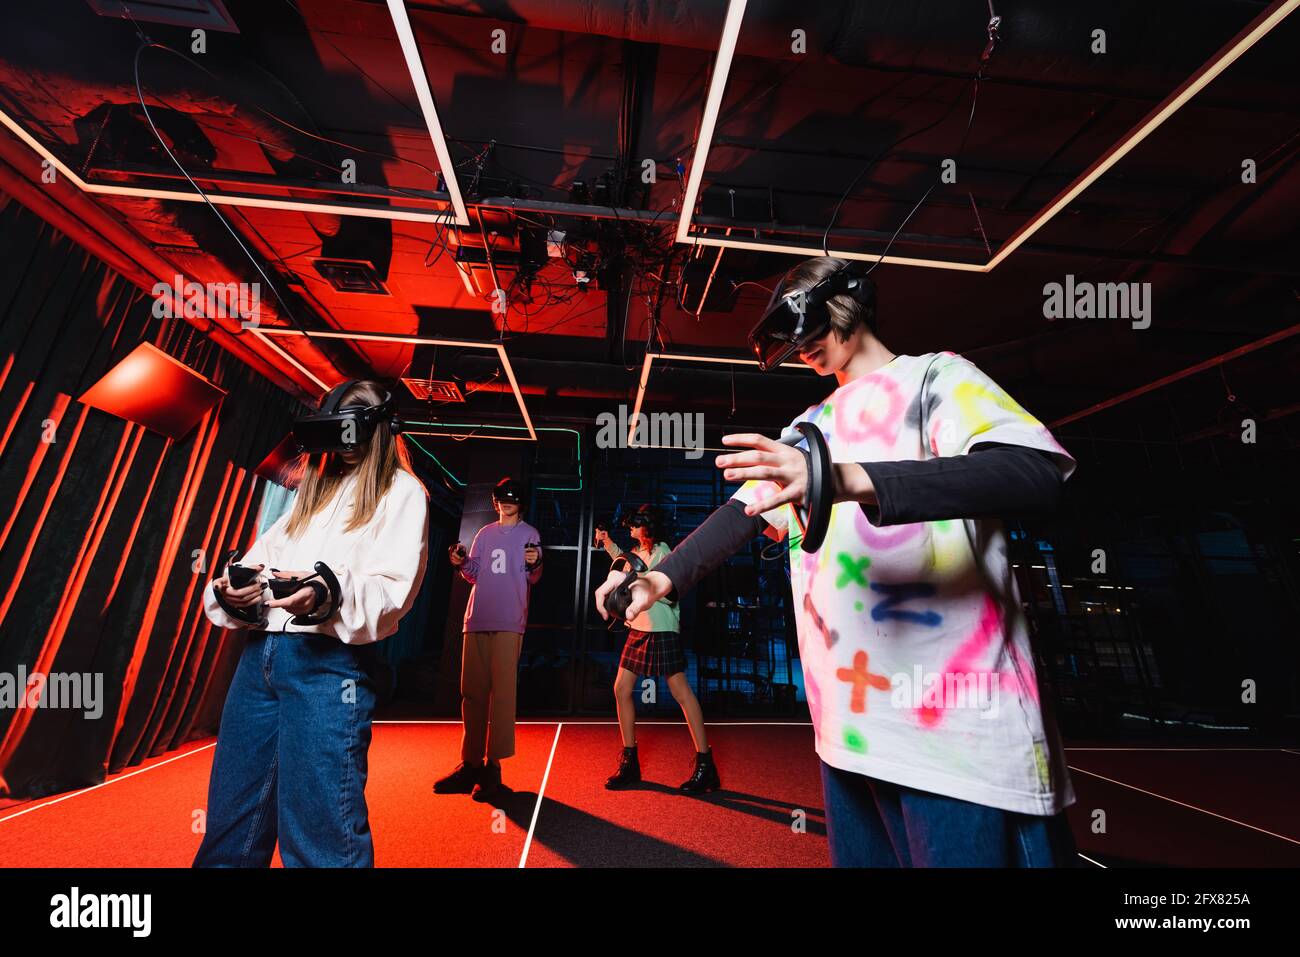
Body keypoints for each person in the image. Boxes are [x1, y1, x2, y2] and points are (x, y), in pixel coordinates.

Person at [596, 256, 1079, 867]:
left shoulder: (935, 378)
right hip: (849, 734)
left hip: (960, 731)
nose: (803, 350)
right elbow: (738, 517)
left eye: (810, 332)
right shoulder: (807, 427)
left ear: (847, 306)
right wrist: (657, 579)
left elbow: (1033, 474)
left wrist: (837, 477)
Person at [196, 379, 428, 867]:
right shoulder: (312, 494)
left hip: (327, 669)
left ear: (377, 431)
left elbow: (392, 593)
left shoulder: (402, 493)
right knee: (232, 825)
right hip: (259, 662)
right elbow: (262, 565)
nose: (342, 450)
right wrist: (233, 591)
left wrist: (326, 592)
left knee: (321, 833)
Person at [596, 505, 718, 792]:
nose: (630, 529)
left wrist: (638, 579)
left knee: (681, 693)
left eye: (634, 525)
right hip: (637, 629)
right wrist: (607, 543)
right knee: (621, 689)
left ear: (647, 527)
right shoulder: (638, 553)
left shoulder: (665, 553)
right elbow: (625, 564)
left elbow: (657, 584)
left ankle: (705, 764)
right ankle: (630, 763)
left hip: (662, 630)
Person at [435, 477, 542, 801]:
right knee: (473, 694)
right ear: (495, 502)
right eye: (501, 497)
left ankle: (492, 769)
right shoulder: (484, 533)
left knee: (502, 696)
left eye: (512, 497)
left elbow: (534, 575)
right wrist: (462, 563)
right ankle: (470, 765)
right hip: (477, 618)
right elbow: (474, 572)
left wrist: (535, 564)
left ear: (520, 502)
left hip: (510, 621)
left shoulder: (530, 534)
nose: (506, 502)